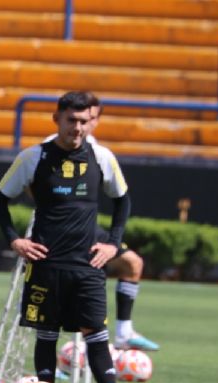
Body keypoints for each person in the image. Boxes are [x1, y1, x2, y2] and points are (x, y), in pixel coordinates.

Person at [0, 91, 148, 383]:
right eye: (71, 121)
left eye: (84, 121)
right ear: (57, 120)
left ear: (93, 122)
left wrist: (113, 244)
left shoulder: (102, 157)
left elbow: (123, 201)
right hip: (45, 261)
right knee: (46, 333)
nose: (77, 128)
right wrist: (15, 240)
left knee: (96, 333)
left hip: (88, 263)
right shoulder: (33, 157)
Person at [85, 99, 159, 351]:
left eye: (91, 118)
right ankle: (71, 352)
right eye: (76, 119)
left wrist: (114, 242)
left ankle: (124, 334)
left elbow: (121, 197)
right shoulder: (53, 147)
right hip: (60, 229)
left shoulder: (99, 152)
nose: (84, 124)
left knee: (132, 263)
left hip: (89, 227)